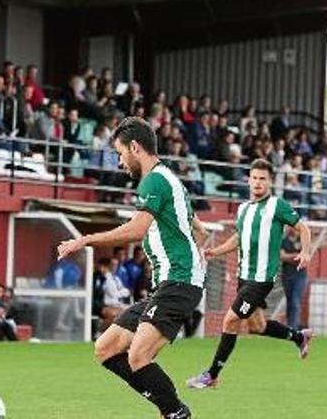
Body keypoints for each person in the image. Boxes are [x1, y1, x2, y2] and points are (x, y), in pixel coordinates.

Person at [57, 117, 208, 419]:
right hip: (170, 283)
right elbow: (199, 229)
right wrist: (198, 254)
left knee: (138, 355)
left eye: (120, 153)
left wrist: (85, 239)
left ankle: (176, 413)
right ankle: (170, 408)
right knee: (106, 348)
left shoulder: (153, 180)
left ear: (135, 148)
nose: (119, 161)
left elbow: (137, 229)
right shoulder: (169, 179)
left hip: (178, 282)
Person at [186, 158, 314, 389]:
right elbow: (238, 238)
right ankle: (299, 337)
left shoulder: (277, 205)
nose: (257, 182)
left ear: (270, 182)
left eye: (262, 179)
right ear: (249, 180)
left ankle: (212, 375)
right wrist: (216, 251)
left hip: (261, 279)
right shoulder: (243, 209)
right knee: (257, 326)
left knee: (230, 320)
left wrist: (305, 251)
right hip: (244, 276)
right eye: (254, 178)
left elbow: (303, 227)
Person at [280, 227, 307, 329]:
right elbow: (282, 256)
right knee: (290, 301)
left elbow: (305, 258)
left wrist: (290, 257)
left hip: (300, 275)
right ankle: (290, 326)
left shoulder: (303, 240)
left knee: (295, 300)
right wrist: (296, 256)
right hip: (287, 275)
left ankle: (293, 327)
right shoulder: (284, 241)